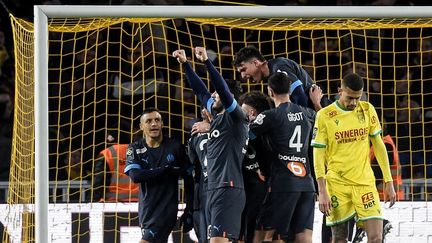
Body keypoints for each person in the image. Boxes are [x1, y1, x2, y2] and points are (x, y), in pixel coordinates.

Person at [173, 47, 248, 243]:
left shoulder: (236, 117)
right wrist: (186, 65)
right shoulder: (216, 117)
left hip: (228, 188)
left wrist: (206, 61)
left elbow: (222, 90)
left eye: (217, 93)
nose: (212, 95)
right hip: (213, 189)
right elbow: (200, 91)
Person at [311, 73, 396, 243]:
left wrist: (389, 181)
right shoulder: (325, 116)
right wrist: (322, 190)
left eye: (357, 98)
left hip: (364, 183)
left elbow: (379, 146)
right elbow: (318, 154)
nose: (354, 103)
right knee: (340, 238)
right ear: (339, 90)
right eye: (350, 98)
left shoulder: (367, 109)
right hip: (337, 185)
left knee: (376, 237)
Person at [248, 72, 317, 242]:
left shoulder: (270, 116)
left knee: (274, 236)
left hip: (284, 183)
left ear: (270, 91)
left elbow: (245, 135)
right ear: (290, 91)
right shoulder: (308, 113)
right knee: (304, 236)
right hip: (307, 184)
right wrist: (315, 103)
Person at [124, 108, 194, 243]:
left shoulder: (175, 147)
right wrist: (165, 170)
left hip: (165, 212)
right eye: (148, 121)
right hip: (146, 211)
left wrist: (189, 210)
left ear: (162, 124)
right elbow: (136, 176)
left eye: (157, 120)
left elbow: (189, 179)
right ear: (141, 126)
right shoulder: (135, 148)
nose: (153, 124)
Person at [233, 46, 328, 111]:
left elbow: (299, 95)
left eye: (243, 69)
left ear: (256, 63)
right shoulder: (272, 75)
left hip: (323, 110)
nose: (243, 76)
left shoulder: (279, 68)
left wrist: (303, 123)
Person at [238, 91, 273, 243]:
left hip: (258, 188)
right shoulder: (243, 129)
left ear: (251, 112)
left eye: (242, 109)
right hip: (243, 187)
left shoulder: (265, 133)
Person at [187, 108, 212, 243]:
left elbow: (191, 166)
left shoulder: (195, 135)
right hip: (221, 190)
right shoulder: (232, 128)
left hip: (203, 194)